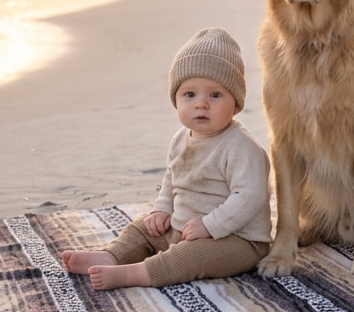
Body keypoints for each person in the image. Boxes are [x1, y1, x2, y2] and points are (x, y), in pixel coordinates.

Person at [61, 27, 272, 290]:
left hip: (236, 239)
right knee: (144, 229)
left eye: (215, 95)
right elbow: (172, 179)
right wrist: (163, 209)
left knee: (190, 257)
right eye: (190, 94)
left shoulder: (240, 146)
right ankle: (113, 255)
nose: (201, 104)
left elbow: (250, 196)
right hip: (186, 227)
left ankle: (134, 274)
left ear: (236, 103)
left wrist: (210, 225)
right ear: (176, 99)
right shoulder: (181, 138)